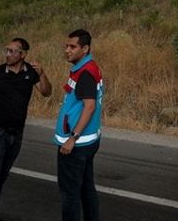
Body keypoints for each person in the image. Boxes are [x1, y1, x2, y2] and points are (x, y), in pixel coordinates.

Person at [0, 37, 52, 221]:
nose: (7, 54)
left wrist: (42, 74)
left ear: (22, 54)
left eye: (11, 51)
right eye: (6, 50)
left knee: (1, 177)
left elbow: (46, 92)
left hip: (16, 133)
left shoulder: (30, 73)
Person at [55, 29, 103, 221]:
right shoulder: (86, 67)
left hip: (76, 144)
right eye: (66, 46)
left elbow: (89, 107)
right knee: (86, 188)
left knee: (70, 194)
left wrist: (72, 138)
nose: (67, 50)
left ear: (85, 48)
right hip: (88, 141)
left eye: (72, 47)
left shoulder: (85, 73)